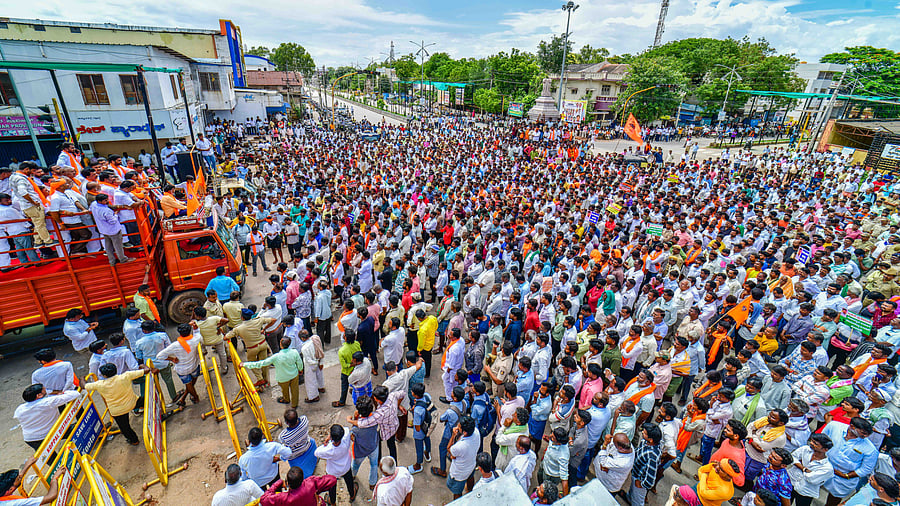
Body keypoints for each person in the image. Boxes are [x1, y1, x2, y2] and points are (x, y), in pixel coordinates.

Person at [84, 362, 151, 446]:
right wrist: (142, 365)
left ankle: (134, 440)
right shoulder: (125, 376)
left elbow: (84, 386)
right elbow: (146, 370)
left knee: (125, 427)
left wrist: (82, 378)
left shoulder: (99, 384)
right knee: (148, 400)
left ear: (104, 375)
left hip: (117, 411)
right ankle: (158, 414)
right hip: (133, 403)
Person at [14, 384, 80, 450]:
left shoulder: (19, 409)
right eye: (44, 389)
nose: (46, 390)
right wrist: (62, 393)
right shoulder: (48, 402)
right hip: (51, 433)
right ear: (39, 395)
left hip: (31, 438)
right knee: (77, 428)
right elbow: (75, 394)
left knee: (49, 458)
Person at [244, 337, 303, 407]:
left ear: (281, 345)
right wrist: (300, 369)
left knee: (285, 390)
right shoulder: (294, 352)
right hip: (294, 375)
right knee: (295, 390)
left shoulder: (276, 357)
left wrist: (245, 364)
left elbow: (261, 363)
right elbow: (299, 363)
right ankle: (294, 404)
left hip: (283, 378)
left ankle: (286, 399)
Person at [156, 323, 202, 406]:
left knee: (189, 384)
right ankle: (187, 397)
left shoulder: (175, 345)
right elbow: (198, 333)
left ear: (179, 333)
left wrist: (172, 359)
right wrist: (195, 327)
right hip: (194, 366)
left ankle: (195, 397)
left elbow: (159, 356)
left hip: (182, 370)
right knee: (191, 383)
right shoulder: (195, 339)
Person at [314, 424, 356, 504]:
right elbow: (346, 428)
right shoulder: (346, 437)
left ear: (332, 437)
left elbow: (316, 452)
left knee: (332, 487)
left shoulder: (328, 450)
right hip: (346, 466)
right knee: (349, 481)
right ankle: (352, 495)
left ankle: (332, 502)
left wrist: (326, 442)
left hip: (333, 472)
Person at [259, 466, 336, 506]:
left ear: (288, 483)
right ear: (302, 478)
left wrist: (278, 482)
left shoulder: (283, 498)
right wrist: (317, 490)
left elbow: (263, 500)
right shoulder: (311, 483)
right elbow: (332, 480)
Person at [90, 193, 131, 265]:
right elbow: (113, 221)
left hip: (103, 229)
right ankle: (122, 259)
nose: (107, 201)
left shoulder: (94, 205)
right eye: (105, 200)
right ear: (100, 201)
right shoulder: (106, 211)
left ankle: (112, 261)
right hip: (113, 230)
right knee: (118, 245)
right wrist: (115, 214)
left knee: (108, 246)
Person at [277, 408, 318, 479]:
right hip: (307, 446)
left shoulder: (284, 436)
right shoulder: (304, 420)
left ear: (287, 422)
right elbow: (302, 418)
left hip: (295, 454)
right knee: (312, 441)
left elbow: (282, 442)